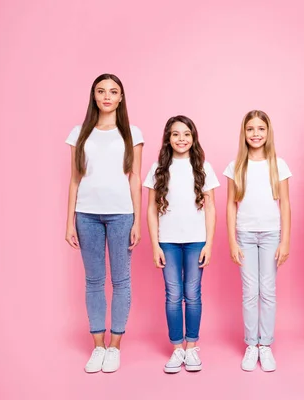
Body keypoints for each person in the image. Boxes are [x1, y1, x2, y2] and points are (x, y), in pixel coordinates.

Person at [65, 73, 144, 373]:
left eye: (113, 91)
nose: (107, 96)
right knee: (94, 281)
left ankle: (115, 346)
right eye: (101, 91)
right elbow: (75, 179)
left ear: (121, 97)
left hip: (122, 214)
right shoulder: (79, 133)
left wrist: (137, 219)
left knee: (121, 281)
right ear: (94, 96)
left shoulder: (132, 133)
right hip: (86, 215)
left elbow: (135, 177)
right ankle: (98, 346)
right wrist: (69, 222)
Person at [144, 115, 219, 373]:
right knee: (173, 295)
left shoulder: (203, 167)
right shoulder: (157, 168)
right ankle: (177, 348)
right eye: (175, 134)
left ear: (193, 137)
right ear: (168, 138)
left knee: (193, 294)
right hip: (168, 242)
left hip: (196, 241)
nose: (181, 139)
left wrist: (209, 243)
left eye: (186, 134)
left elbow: (211, 208)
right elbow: (151, 210)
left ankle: (192, 346)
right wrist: (155, 245)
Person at [224, 110, 291, 372]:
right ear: (244, 133)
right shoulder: (236, 166)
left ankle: (266, 345)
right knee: (250, 292)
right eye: (250, 129)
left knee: (268, 290)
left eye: (260, 129)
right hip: (246, 235)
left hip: (271, 234)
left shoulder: (278, 164)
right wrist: (232, 241)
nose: (255, 134)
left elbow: (285, 204)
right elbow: (231, 205)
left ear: (268, 132)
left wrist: (285, 240)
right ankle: (252, 344)